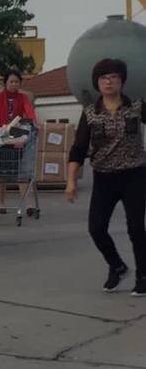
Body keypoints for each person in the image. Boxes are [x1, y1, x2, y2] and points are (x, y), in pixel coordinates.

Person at [65, 57, 146, 296]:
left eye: (114, 77)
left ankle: (143, 275)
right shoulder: (90, 114)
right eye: (103, 78)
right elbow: (78, 149)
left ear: (122, 82)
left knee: (136, 228)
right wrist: (71, 181)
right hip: (104, 177)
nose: (109, 82)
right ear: (97, 83)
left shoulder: (137, 107)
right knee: (96, 228)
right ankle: (117, 266)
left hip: (134, 175)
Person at [0, 68, 37, 213]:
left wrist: (33, 123)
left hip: (17, 135)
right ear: (6, 83)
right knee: (2, 173)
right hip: (2, 136)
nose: (14, 84)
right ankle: (1, 203)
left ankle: (29, 204)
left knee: (22, 171)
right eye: (11, 81)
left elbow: (29, 113)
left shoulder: (23, 98)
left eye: (17, 82)